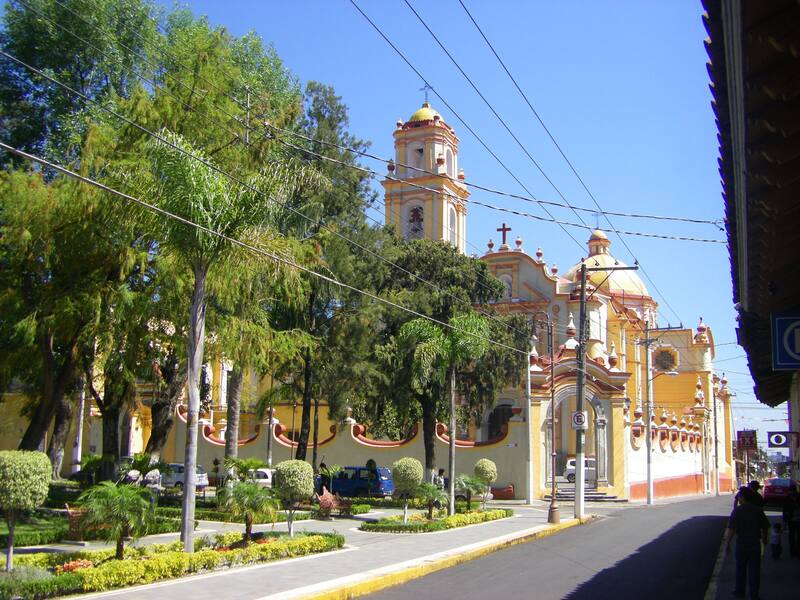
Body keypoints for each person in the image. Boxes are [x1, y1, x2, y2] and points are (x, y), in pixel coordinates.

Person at [726, 486, 770, 600]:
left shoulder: (737, 511)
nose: (739, 499)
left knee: (740, 568)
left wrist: (728, 543)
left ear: (743, 498)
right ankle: (754, 594)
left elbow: (731, 529)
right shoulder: (758, 510)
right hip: (755, 543)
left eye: (740, 496)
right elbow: (765, 526)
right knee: (754, 570)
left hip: (742, 543)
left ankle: (740, 591)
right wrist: (765, 539)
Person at [782, 487, 800, 557]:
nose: (790, 493)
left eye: (791, 491)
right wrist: (784, 522)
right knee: (791, 536)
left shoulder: (798, 498)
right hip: (791, 520)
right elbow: (785, 510)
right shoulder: (787, 499)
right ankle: (792, 552)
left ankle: (798, 552)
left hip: (798, 519)